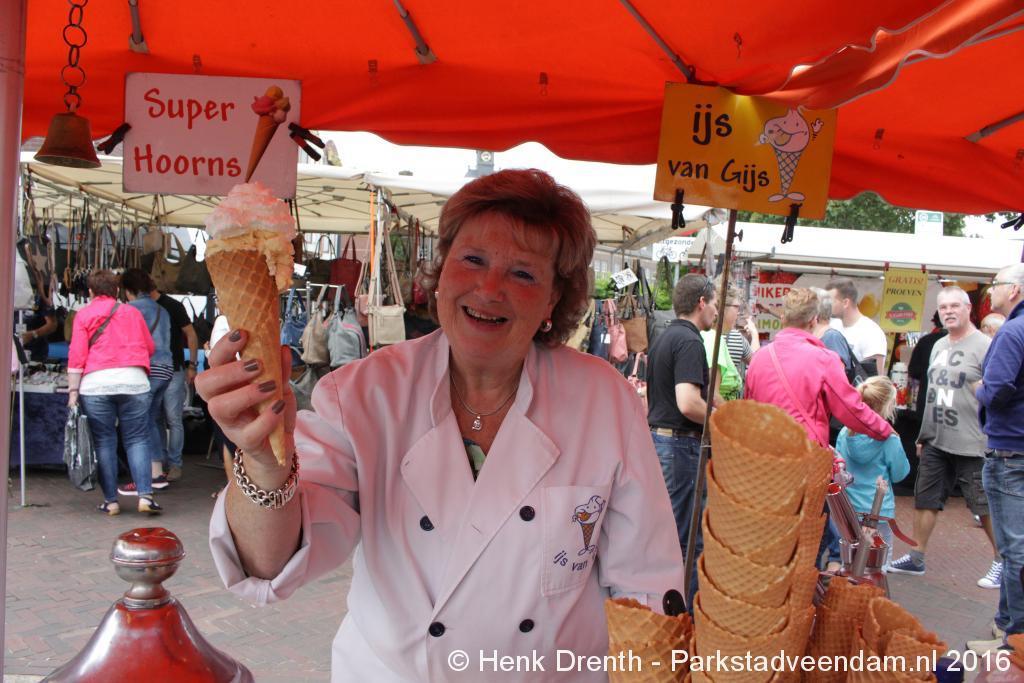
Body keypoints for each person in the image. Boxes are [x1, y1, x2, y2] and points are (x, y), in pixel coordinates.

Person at [197, 169, 686, 680]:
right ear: (442, 271)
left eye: (523, 274)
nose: (489, 289)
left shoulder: (602, 399)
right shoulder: (365, 393)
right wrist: (263, 461)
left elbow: (645, 583)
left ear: (552, 301)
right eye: (473, 260)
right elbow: (271, 563)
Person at [889, 287, 998, 587]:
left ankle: (1003, 561)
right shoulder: (938, 345)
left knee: (983, 506)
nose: (948, 312)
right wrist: (923, 435)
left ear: (968, 309)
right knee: (925, 499)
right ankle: (916, 557)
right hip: (936, 437)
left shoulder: (986, 346)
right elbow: (931, 393)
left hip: (972, 440)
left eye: (954, 306)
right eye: (943, 307)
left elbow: (996, 393)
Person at [746, 288, 894, 449]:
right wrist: (885, 430)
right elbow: (850, 409)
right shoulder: (824, 360)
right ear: (813, 321)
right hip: (804, 452)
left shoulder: (758, 358)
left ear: (783, 319)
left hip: (764, 452)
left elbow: (749, 411)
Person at [646, 272, 717, 603]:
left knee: (667, 535)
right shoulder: (689, 341)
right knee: (684, 541)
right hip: (679, 448)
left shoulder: (666, 336)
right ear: (701, 302)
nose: (716, 311)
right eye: (714, 303)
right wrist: (722, 422)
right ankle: (681, 616)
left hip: (663, 444)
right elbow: (688, 402)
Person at [66, 270, 160, 516]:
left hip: (96, 385)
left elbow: (77, 355)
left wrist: (73, 391)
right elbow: (150, 347)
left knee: (104, 441)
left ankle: (111, 501)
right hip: (134, 382)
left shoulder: (84, 315)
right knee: (137, 439)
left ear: (90, 292)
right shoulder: (132, 313)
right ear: (117, 290)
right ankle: (145, 497)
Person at [968, 264, 1024, 653]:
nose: (990, 292)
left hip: (1010, 450)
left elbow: (999, 388)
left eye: (996, 285)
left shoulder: (1012, 331)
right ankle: (1006, 627)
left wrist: (979, 388)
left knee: (1014, 548)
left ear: (1015, 289)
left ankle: (1015, 637)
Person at [836, 376, 910, 569]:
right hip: (878, 511)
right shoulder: (889, 439)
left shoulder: (845, 432)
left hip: (850, 508)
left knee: (850, 562)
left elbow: (839, 468)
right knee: (878, 565)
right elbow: (900, 474)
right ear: (887, 406)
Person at [121, 269, 175, 495]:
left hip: (147, 369)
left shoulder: (130, 310)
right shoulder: (162, 310)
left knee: (139, 422)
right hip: (166, 369)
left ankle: (147, 476)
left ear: (128, 290)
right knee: (151, 420)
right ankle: (157, 471)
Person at [153, 286, 199, 482]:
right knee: (160, 418)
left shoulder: (172, 306)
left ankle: (173, 463)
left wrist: (192, 365)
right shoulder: (146, 306)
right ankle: (163, 462)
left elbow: (191, 334)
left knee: (171, 418)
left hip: (173, 369)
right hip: (159, 370)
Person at [827, 277, 887, 375]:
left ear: (845, 303)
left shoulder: (871, 332)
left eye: (831, 301)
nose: (827, 305)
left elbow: (876, 379)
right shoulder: (832, 325)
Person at [702, 283, 743, 403]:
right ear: (723, 308)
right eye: (737, 307)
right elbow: (712, 395)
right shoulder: (712, 338)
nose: (739, 313)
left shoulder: (713, 337)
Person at [18, 288, 57, 362]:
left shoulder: (39, 297)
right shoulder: (7, 296)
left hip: (36, 353)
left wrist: (33, 334)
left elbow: (53, 324)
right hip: (12, 350)